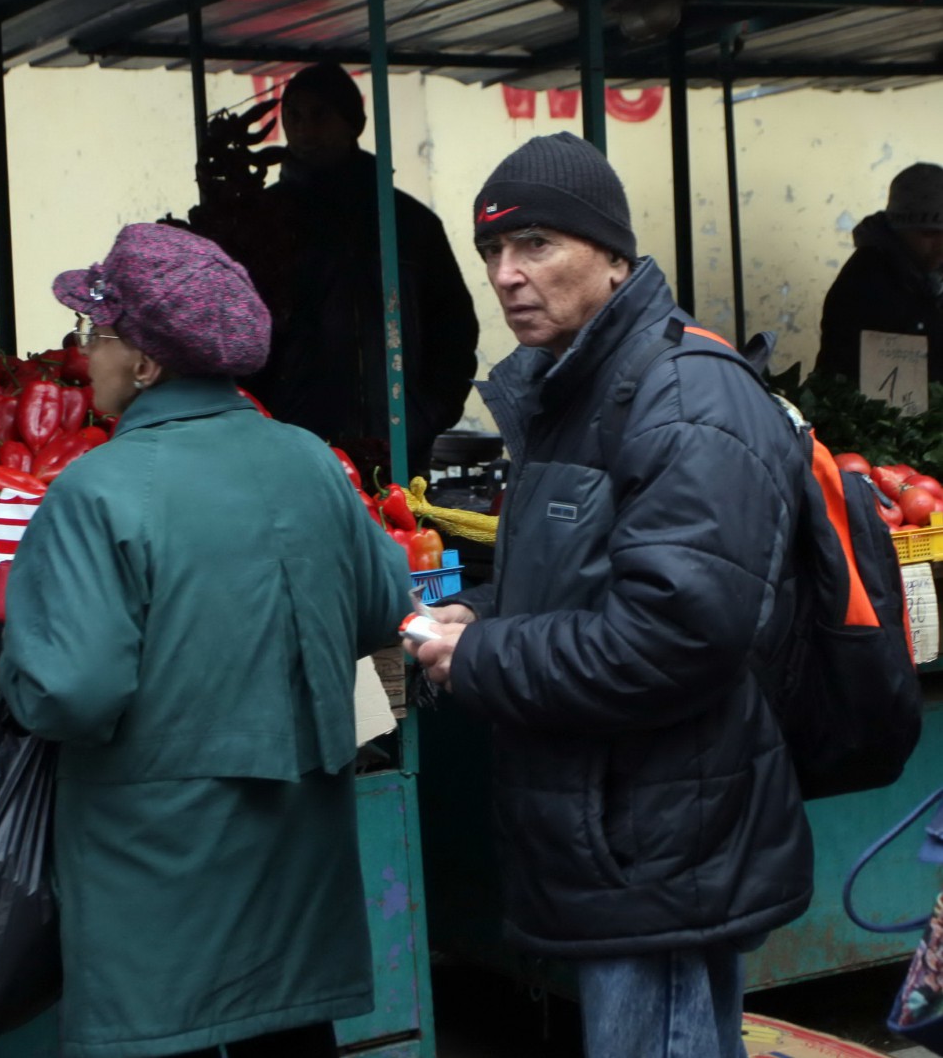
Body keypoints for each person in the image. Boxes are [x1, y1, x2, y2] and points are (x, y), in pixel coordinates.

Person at [404, 132, 814, 1058]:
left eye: (536, 244)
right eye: (492, 253)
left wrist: (482, 656)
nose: (507, 275)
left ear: (613, 253)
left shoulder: (683, 399)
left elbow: (673, 635)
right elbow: (596, 573)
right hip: (615, 832)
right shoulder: (576, 391)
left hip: (660, 840)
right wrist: (492, 610)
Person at [0, 222, 412, 1058]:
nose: (85, 353)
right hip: (296, 866)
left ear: (145, 363)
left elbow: (70, 691)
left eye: (96, 333)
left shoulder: (96, 490)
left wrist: (14, 658)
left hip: (157, 878)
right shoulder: (309, 461)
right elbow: (382, 606)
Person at [200, 63, 479, 483]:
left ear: (355, 123)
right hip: (291, 450)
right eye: (293, 115)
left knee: (404, 544)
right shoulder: (262, 221)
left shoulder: (409, 223)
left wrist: (425, 415)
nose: (305, 129)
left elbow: (454, 328)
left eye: (320, 114)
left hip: (397, 449)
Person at [814, 162, 943, 388]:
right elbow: (887, 399)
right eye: (929, 234)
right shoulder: (866, 284)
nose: (941, 245)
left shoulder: (930, 272)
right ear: (900, 228)